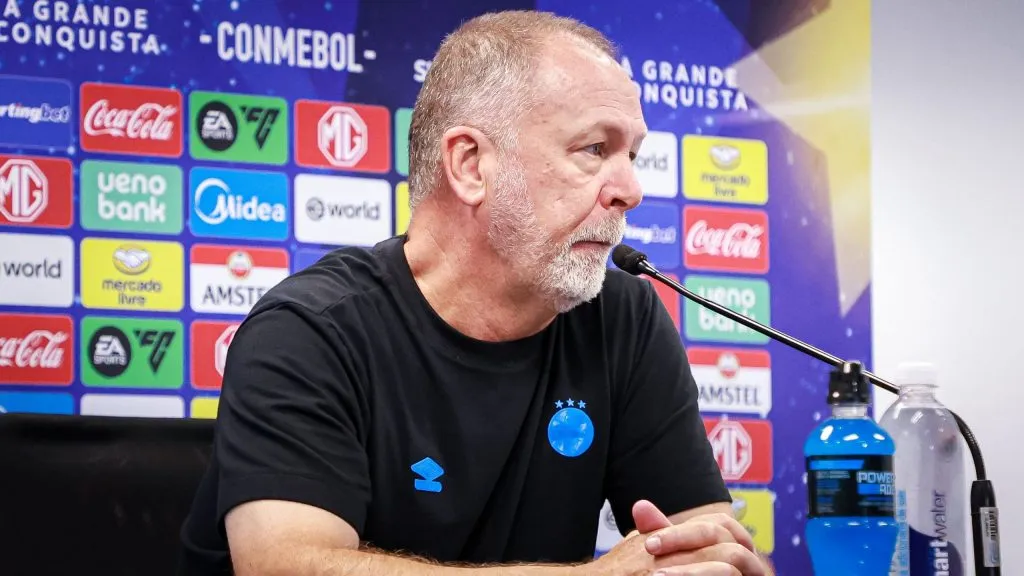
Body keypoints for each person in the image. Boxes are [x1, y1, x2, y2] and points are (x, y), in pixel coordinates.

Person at [177, 9, 774, 576]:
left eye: (633, 154)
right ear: (469, 165)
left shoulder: (623, 318)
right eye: (595, 149)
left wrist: (723, 560)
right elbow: (285, 566)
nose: (630, 189)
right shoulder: (310, 330)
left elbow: (711, 546)